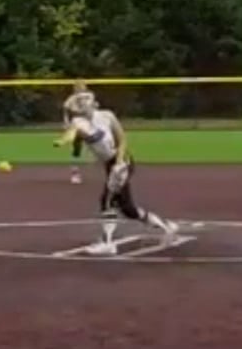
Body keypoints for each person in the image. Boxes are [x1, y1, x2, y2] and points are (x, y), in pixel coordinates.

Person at [53, 97, 179, 255]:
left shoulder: (107, 116)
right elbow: (71, 133)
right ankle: (166, 225)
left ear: (94, 106)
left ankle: (107, 243)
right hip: (109, 164)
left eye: (85, 105)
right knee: (128, 209)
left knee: (107, 200)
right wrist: (62, 141)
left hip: (122, 161)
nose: (82, 109)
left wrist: (119, 163)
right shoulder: (78, 122)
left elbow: (122, 140)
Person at [61, 83, 94, 185]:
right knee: (76, 148)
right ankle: (75, 173)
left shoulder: (89, 96)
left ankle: (90, 151)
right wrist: (66, 122)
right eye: (77, 87)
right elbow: (65, 110)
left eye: (82, 87)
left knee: (98, 140)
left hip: (88, 122)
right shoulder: (71, 98)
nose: (79, 89)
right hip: (77, 122)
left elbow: (91, 108)